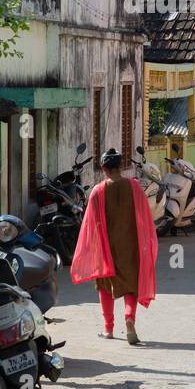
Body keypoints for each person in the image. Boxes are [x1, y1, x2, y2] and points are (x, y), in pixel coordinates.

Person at [70, 148, 159, 345]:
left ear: (103, 168)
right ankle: (129, 319)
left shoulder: (97, 192)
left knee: (104, 285)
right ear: (121, 166)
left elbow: (90, 225)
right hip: (131, 245)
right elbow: (145, 218)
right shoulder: (135, 188)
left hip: (107, 247)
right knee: (131, 286)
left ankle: (109, 329)